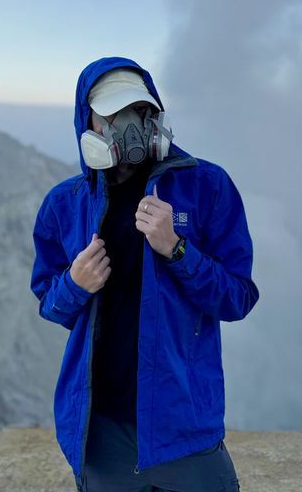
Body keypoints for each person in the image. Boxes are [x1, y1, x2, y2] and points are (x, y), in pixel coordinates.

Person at [31, 56, 259, 492]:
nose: (129, 125)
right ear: (89, 122)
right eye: (113, 114)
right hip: (101, 428)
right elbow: (50, 302)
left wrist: (177, 251)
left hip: (184, 423)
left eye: (139, 110)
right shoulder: (64, 204)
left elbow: (238, 298)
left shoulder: (207, 186)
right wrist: (74, 286)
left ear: (156, 114)